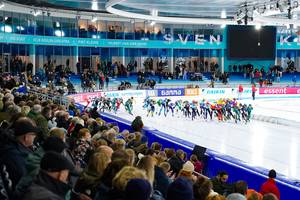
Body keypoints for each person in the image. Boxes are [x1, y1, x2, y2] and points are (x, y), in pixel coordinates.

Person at [0, 117, 39, 190]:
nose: (35, 137)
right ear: (26, 137)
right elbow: (24, 182)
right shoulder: (15, 155)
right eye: (33, 134)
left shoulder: (11, 144)